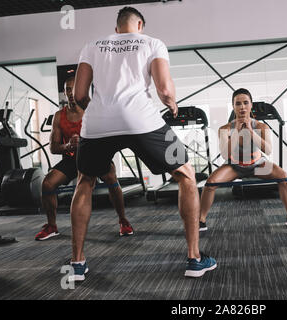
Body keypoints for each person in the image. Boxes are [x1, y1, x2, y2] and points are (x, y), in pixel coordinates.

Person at [70, 6, 216, 281]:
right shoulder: (152, 43)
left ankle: (77, 263)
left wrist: (101, 112)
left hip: (98, 122)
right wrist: (170, 102)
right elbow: (163, 88)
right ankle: (194, 259)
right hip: (141, 120)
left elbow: (79, 94)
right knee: (185, 174)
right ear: (140, 25)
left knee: (84, 181)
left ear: (116, 29)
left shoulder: (92, 45)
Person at [35, 76, 134, 241]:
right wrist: (68, 146)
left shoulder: (93, 111)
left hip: (95, 155)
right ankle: (51, 226)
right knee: (47, 183)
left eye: (74, 89)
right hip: (72, 158)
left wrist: (88, 143)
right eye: (67, 90)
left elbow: (107, 139)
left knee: (111, 177)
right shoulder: (59, 117)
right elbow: (53, 148)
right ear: (65, 93)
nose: (71, 93)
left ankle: (123, 220)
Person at [199, 88, 287, 231]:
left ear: (251, 105)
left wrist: (250, 131)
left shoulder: (262, 126)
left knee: (284, 178)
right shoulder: (224, 129)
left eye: (245, 103)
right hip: (234, 167)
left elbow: (268, 150)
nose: (242, 107)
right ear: (233, 106)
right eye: (238, 103)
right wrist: (237, 132)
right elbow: (225, 155)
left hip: (258, 165)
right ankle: (200, 220)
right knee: (210, 183)